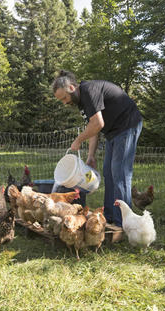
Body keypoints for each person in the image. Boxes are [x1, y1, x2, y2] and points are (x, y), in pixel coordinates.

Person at [52, 70, 142, 227]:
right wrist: (91, 155)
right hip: (113, 132)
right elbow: (94, 127)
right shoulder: (82, 102)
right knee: (108, 173)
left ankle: (125, 224)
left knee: (119, 174)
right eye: (61, 100)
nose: (64, 103)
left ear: (72, 88)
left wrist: (78, 140)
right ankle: (109, 217)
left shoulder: (89, 91)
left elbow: (97, 124)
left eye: (64, 98)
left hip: (127, 125)